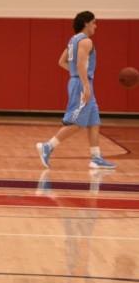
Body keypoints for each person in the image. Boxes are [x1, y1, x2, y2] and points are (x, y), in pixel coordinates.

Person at [36, 11, 116, 170]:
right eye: (94, 22)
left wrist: (75, 75)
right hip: (82, 84)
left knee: (94, 121)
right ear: (86, 23)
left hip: (79, 81)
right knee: (78, 123)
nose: (96, 26)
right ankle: (48, 146)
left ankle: (96, 157)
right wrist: (84, 84)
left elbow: (61, 61)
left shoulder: (73, 40)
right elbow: (80, 63)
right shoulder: (86, 41)